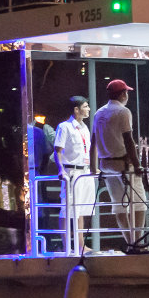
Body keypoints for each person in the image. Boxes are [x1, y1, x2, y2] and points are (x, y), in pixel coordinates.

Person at [92, 78, 146, 251]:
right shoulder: (123, 112)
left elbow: (94, 142)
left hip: (106, 165)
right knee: (139, 203)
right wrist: (137, 165)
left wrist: (94, 167)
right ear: (123, 94)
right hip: (123, 165)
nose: (127, 95)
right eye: (127, 92)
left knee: (118, 205)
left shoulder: (98, 113)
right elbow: (128, 140)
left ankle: (130, 242)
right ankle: (136, 242)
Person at [51, 96, 93, 252]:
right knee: (66, 208)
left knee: (80, 208)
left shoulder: (84, 128)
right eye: (86, 106)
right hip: (71, 171)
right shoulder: (64, 127)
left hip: (84, 171)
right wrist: (61, 169)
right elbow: (58, 150)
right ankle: (66, 244)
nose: (88, 109)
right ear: (77, 109)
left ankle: (80, 245)